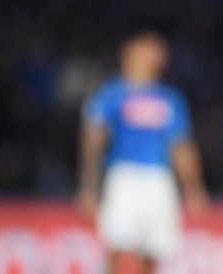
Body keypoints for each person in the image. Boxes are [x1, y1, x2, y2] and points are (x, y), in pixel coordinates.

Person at [77, 31, 210, 274]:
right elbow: (93, 140)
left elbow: (181, 146)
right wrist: (89, 186)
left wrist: (193, 188)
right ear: (130, 54)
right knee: (117, 246)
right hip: (123, 176)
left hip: (158, 179)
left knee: (154, 250)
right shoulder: (112, 94)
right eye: (149, 50)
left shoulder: (169, 99)